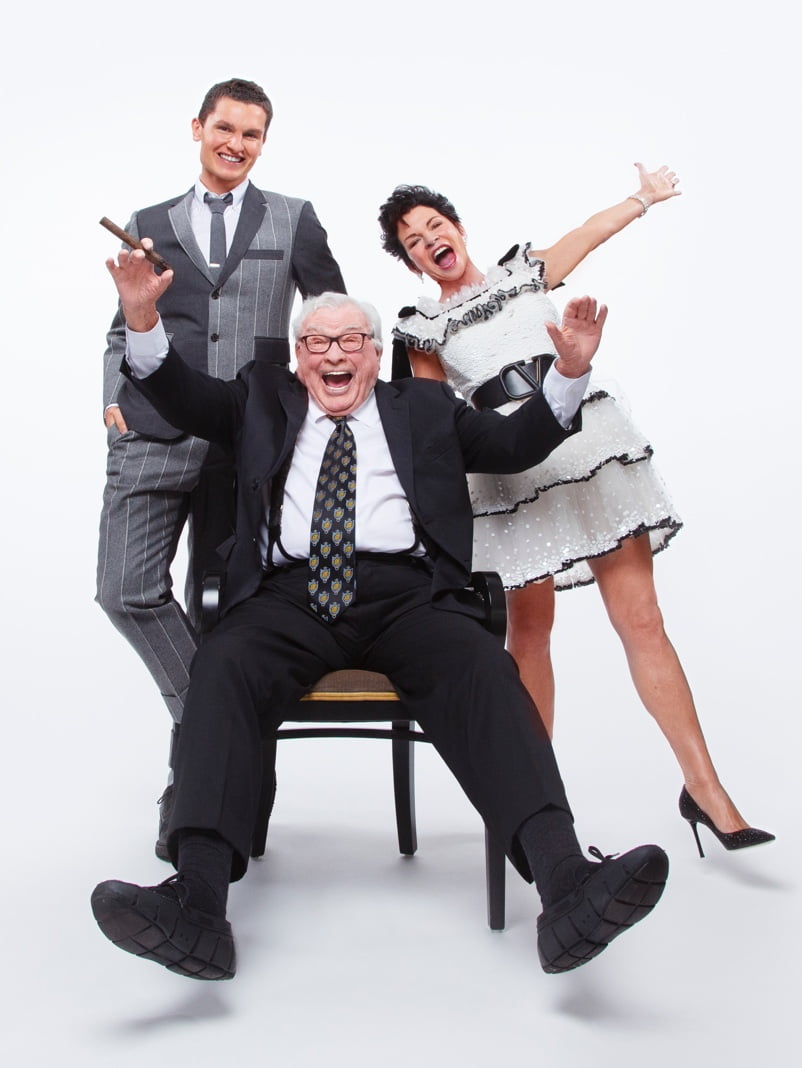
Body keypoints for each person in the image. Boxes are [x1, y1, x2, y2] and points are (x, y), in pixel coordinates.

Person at [90, 246, 669, 980]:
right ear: (299, 356)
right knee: (222, 663)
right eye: (317, 343)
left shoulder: (424, 408)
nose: (333, 354)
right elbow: (178, 394)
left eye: (349, 341)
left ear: (373, 353)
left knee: (484, 671)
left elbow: (513, 446)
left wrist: (571, 375)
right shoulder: (259, 397)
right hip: (287, 597)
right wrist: (142, 318)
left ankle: (567, 886)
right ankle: (196, 905)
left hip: (408, 596)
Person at [377, 168, 774, 855]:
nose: (429, 241)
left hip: (587, 447)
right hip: (512, 472)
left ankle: (706, 791)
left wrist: (643, 199)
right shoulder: (422, 328)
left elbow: (589, 234)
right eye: (413, 241)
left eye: (435, 226)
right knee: (529, 638)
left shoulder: (524, 273)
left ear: (458, 226)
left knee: (643, 620)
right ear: (410, 259)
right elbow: (436, 425)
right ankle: (537, 816)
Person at [97, 78, 346, 858]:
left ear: (264, 143)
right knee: (125, 590)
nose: (236, 143)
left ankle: (207, 793)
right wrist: (113, 399)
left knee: (225, 614)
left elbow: (331, 314)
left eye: (253, 133)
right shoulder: (147, 224)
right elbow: (121, 328)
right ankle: (206, 725)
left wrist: (318, 400)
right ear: (198, 128)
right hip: (155, 429)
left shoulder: (294, 218)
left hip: (249, 445)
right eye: (225, 127)